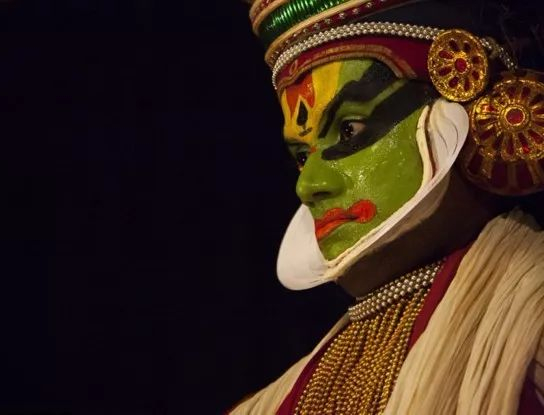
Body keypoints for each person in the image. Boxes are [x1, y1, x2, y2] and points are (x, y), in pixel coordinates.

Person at [229, 0, 544, 413]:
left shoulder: (530, 334)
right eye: (303, 156)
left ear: (471, 103)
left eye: (348, 129)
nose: (308, 185)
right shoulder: (268, 404)